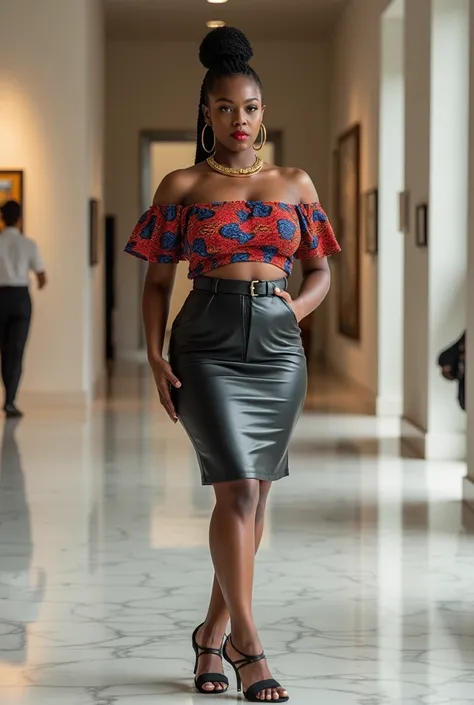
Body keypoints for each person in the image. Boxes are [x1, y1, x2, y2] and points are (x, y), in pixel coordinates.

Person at [125, 27, 340, 703]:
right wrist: (156, 358)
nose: (238, 120)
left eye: (249, 107)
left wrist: (295, 310)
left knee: (257, 495)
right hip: (208, 343)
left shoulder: (294, 182)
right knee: (237, 492)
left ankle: (210, 632)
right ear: (206, 115)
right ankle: (250, 643)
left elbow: (320, 271)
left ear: (262, 114)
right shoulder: (182, 184)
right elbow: (158, 283)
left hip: (278, 352)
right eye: (225, 108)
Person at [0, 200, 47, 418]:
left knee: (3, 350)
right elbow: (42, 278)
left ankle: (7, 398)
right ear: (19, 218)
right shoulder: (28, 244)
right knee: (16, 351)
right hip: (20, 298)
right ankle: (10, 401)